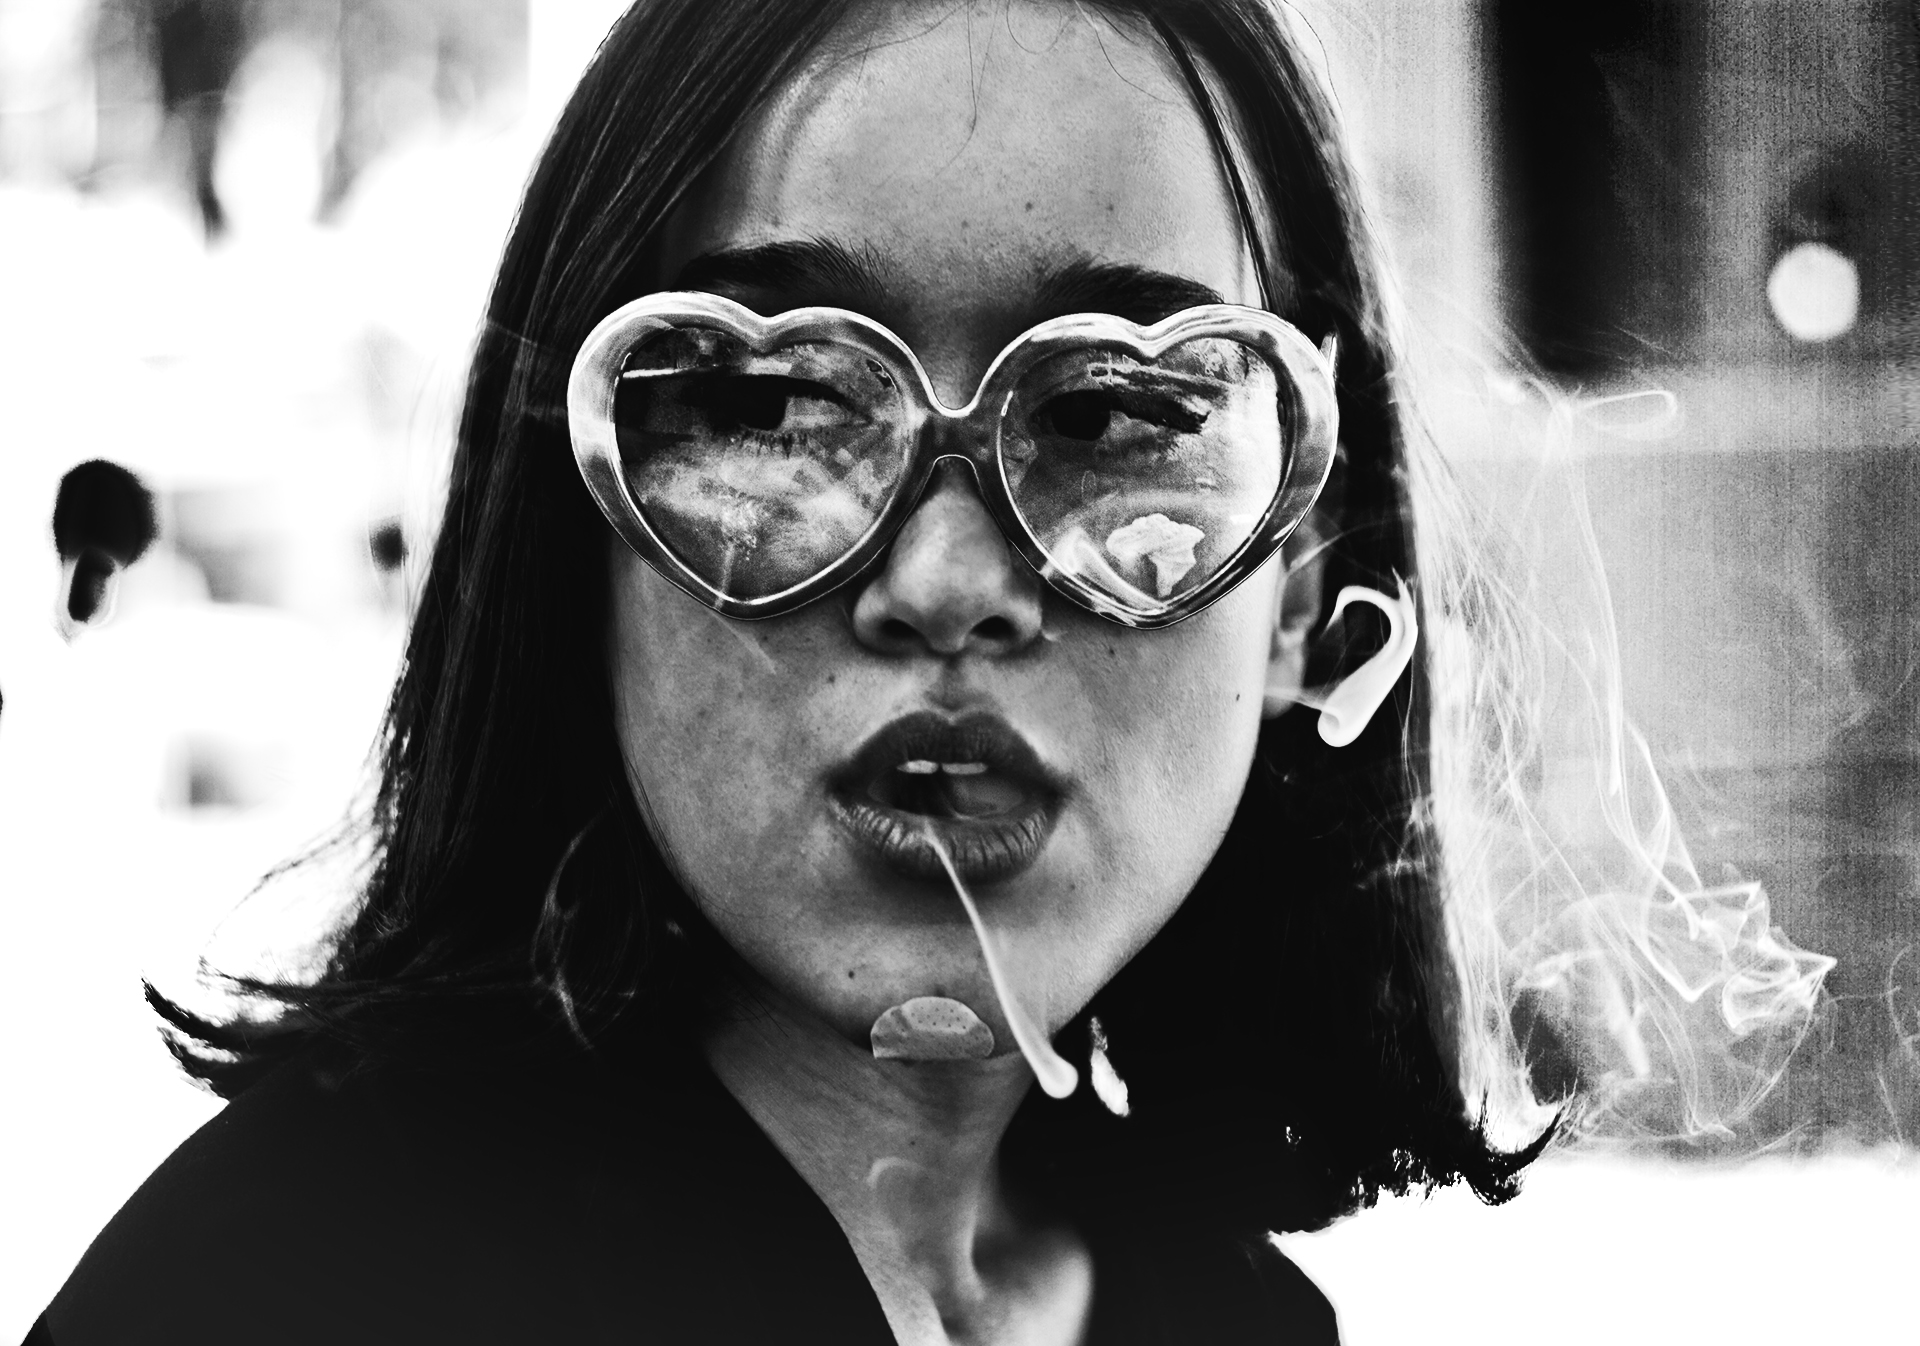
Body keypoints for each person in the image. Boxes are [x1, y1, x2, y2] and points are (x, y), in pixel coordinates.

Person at [31, 1, 1552, 1341]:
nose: (948, 583)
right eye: (770, 406)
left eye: (1109, 410)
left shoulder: (1238, 1319)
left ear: (1298, 579)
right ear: (578, 531)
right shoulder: (284, 1291)